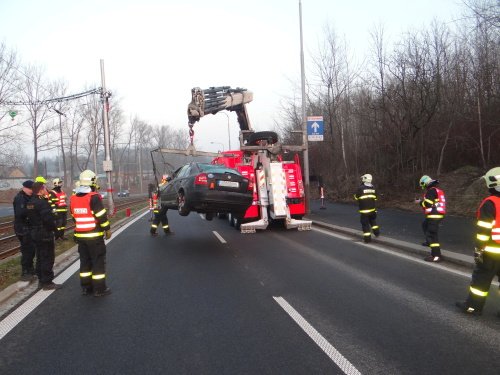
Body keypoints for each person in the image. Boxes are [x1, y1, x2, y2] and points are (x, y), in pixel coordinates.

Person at [456, 167, 500, 316]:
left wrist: (479, 249)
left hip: (492, 251)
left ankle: (473, 307)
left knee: (481, 280)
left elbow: (484, 230)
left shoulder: (490, 203)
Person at [69, 170, 112, 297]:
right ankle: (100, 289)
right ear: (93, 181)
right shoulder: (93, 197)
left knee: (84, 262)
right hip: (94, 237)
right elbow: (101, 216)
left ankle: (86, 288)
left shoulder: (73, 198)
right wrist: (107, 229)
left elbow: (74, 217)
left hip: (80, 237)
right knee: (97, 262)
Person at [25, 182, 61, 290]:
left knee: (40, 257)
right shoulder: (42, 203)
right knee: (48, 257)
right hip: (44, 233)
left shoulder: (30, 203)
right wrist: (56, 230)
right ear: (40, 190)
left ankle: (41, 280)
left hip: (34, 233)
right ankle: (47, 282)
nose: (47, 191)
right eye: (45, 189)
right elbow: (48, 220)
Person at [417, 175, 446, 262]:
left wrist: (420, 202)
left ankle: (436, 256)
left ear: (425, 183)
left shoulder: (431, 191)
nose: (423, 187)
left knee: (432, 234)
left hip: (434, 214)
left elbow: (428, 204)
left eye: (422, 185)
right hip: (437, 214)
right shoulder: (435, 190)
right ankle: (429, 242)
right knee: (425, 224)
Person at [13, 180, 37, 282]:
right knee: (27, 250)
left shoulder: (29, 197)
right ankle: (25, 272)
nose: (32, 190)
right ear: (25, 188)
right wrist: (31, 211)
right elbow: (20, 214)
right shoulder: (20, 198)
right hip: (23, 228)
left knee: (31, 250)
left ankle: (30, 269)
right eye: (31, 189)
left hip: (29, 227)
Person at [354, 174, 380, 243]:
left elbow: (356, 197)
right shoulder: (373, 188)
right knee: (373, 222)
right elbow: (376, 198)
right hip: (372, 210)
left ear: (364, 179)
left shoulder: (360, 188)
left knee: (365, 225)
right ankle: (377, 233)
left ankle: (367, 239)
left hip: (364, 211)